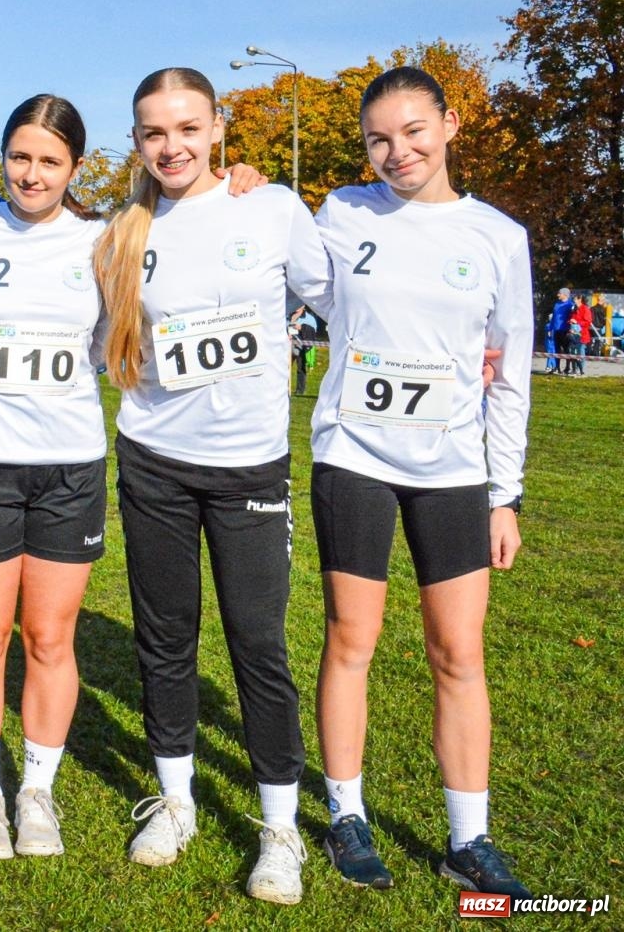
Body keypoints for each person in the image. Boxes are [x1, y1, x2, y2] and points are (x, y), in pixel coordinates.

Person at [92, 67, 331, 905]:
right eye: (155, 132)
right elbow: (94, 346)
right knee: (165, 640)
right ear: (137, 141)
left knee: (258, 645)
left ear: (219, 126)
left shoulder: (268, 207)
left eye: (188, 128)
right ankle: (178, 803)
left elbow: (343, 302)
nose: (173, 146)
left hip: (249, 469)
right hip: (153, 461)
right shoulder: (121, 231)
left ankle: (279, 828)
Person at [311, 67, 532, 899]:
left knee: (458, 652)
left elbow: (510, 373)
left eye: (412, 131)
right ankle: (345, 815)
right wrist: (246, 184)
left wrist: (503, 492)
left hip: (454, 472)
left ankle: (468, 839)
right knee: (351, 640)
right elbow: (284, 268)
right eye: (377, 138)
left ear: (450, 124)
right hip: (355, 458)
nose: (395, 151)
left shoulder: (498, 236)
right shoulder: (341, 212)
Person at [0, 95, 109, 861]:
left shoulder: (103, 243)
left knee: (50, 635)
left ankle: (36, 789)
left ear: (74, 167)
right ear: (1, 156)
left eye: (49, 160)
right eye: (19, 155)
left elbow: (116, 343)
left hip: (70, 465)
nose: (31, 173)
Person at [546, 287, 573, 374]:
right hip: (556, 330)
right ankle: (557, 367)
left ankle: (567, 367)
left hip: (565, 330)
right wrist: (550, 328)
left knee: (566, 349)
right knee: (556, 349)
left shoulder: (570, 305)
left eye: (559, 293)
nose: (558, 295)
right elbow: (554, 317)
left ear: (565, 295)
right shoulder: (557, 304)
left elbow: (573, 317)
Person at [565, 297, 592, 375]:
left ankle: (581, 370)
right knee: (572, 352)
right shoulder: (574, 308)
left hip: (582, 335)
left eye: (575, 299)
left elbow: (588, 322)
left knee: (580, 352)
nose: (574, 301)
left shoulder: (585, 309)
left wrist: (577, 322)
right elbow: (572, 318)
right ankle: (574, 369)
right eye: (573, 299)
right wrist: (570, 321)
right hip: (573, 334)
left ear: (580, 299)